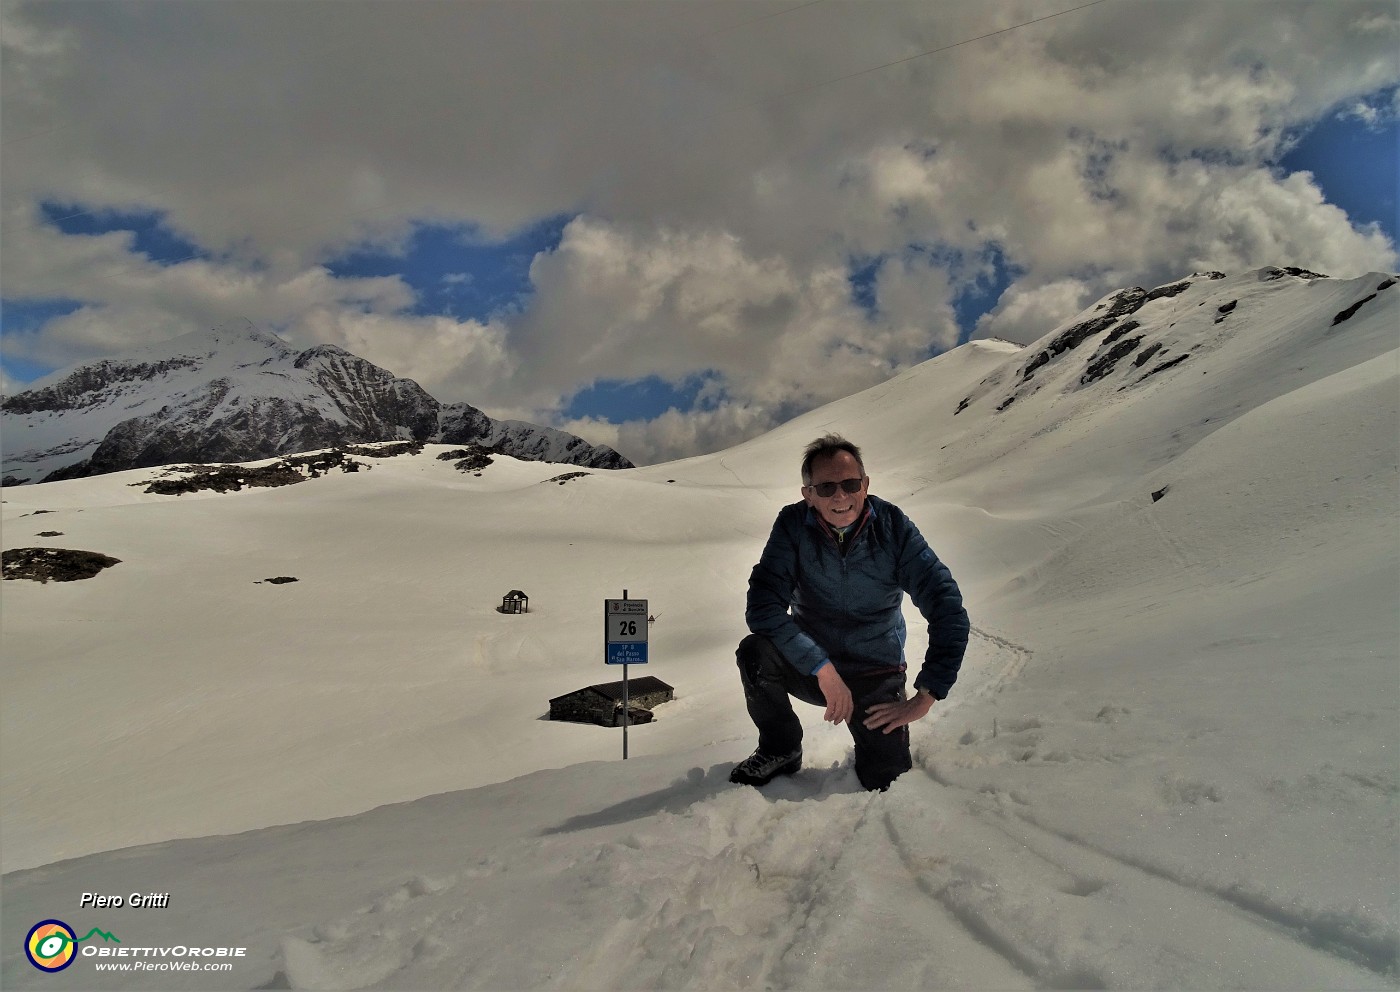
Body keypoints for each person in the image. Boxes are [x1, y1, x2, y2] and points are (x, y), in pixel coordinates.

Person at [731, 433, 969, 791]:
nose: (840, 496)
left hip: (875, 670)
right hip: (811, 666)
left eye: (850, 484)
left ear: (865, 485)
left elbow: (946, 605)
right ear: (808, 494)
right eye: (826, 488)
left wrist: (927, 695)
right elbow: (763, 606)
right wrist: (820, 666)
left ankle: (877, 746)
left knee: (887, 780)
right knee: (755, 654)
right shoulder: (793, 526)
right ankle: (780, 748)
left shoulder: (893, 528)